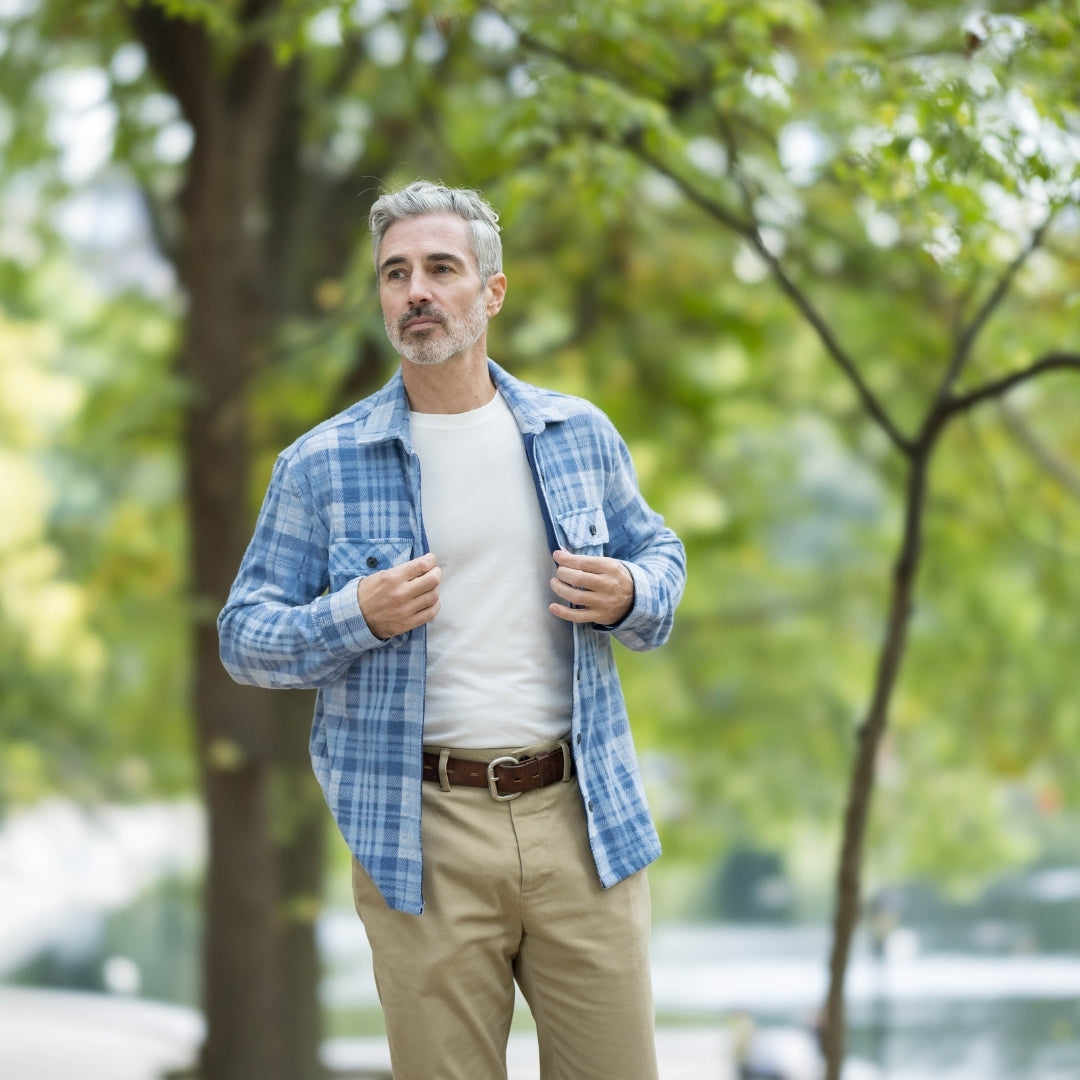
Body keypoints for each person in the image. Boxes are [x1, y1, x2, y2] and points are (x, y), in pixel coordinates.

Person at [217, 179, 686, 1080]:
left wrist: (631, 591)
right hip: (418, 829)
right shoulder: (320, 464)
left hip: (584, 820)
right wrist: (352, 615)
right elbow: (243, 636)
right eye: (396, 274)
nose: (416, 291)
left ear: (492, 292)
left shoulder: (575, 434)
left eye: (441, 268)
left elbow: (660, 556)